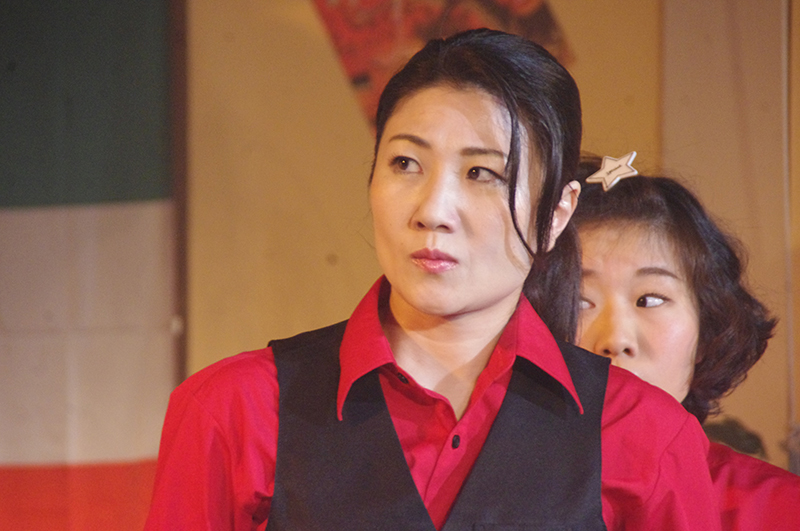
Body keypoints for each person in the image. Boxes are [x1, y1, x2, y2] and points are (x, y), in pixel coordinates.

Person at [144, 30, 721, 530]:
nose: (433, 210)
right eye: (406, 164)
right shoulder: (235, 410)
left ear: (556, 214)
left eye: (482, 173)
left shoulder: (647, 436)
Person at [572, 154, 800, 530]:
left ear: (706, 332)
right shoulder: (481, 494)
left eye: (650, 299)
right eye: (577, 301)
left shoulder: (783, 510)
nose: (615, 339)